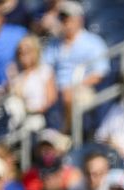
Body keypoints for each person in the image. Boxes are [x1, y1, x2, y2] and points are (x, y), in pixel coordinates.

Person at [42, 1, 109, 131]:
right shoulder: (54, 43)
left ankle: (65, 133)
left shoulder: (93, 42)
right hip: (56, 90)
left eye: (69, 18)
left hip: (83, 88)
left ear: (80, 20)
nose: (66, 22)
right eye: (62, 19)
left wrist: (75, 87)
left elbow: (100, 73)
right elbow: (45, 68)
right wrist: (51, 88)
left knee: (71, 98)